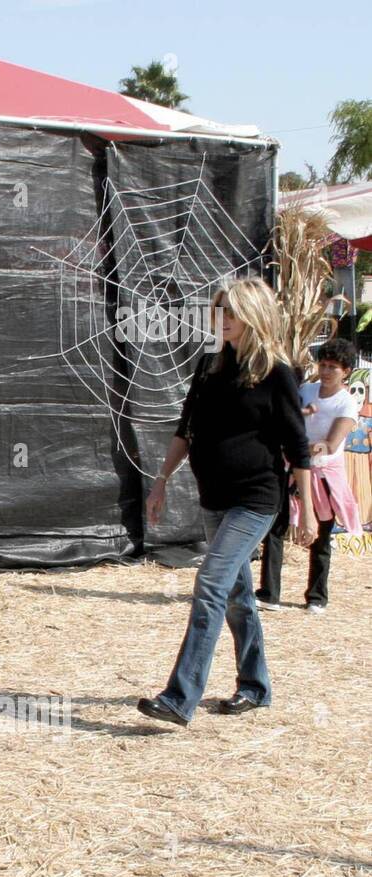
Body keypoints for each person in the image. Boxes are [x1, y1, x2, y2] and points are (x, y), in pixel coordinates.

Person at [141, 279, 316, 726]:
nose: (220, 320)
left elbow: (298, 446)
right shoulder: (208, 368)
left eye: (229, 313)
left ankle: (180, 697)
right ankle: (255, 687)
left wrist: (308, 510)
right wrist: (160, 481)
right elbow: (186, 430)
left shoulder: (277, 372)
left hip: (255, 499)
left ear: (252, 316)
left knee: (211, 584)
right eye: (217, 311)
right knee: (237, 595)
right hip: (213, 498)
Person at [257, 338, 361, 614]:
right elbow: (286, 416)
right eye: (323, 365)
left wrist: (296, 444)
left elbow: (331, 443)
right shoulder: (306, 391)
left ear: (346, 371)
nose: (326, 371)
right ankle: (269, 593)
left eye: (333, 367)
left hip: (323, 475)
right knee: (275, 529)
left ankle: (316, 597)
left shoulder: (347, 404)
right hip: (291, 468)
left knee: (321, 537)